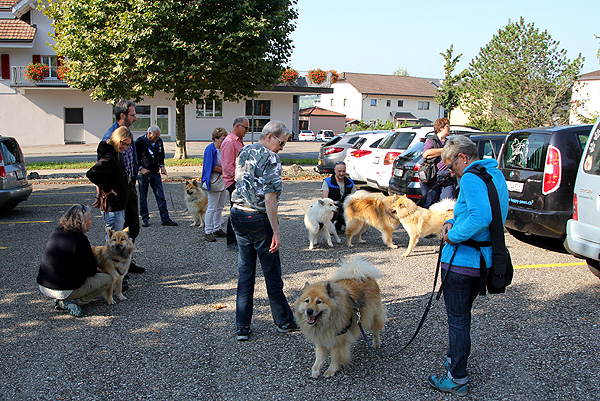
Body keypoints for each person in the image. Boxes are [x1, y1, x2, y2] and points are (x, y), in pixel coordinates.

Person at [427, 135, 508, 397]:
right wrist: (455, 223)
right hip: (484, 260)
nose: (451, 172)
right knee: (462, 318)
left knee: (458, 321)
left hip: (463, 262)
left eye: (451, 166)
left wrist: (452, 234)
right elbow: (489, 214)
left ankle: (457, 378)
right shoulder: (494, 175)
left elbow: (480, 216)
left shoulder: (472, 178)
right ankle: (455, 359)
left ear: (464, 157)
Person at [230, 120, 299, 341]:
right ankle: (284, 321)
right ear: (270, 137)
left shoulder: (244, 151)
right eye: (281, 143)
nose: (282, 148)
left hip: (237, 213)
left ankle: (242, 326)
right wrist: (276, 231)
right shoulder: (271, 158)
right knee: (272, 274)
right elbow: (270, 199)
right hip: (257, 218)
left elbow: (237, 181)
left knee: (246, 273)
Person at [36, 204, 112, 317]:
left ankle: (63, 298)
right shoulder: (80, 240)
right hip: (64, 289)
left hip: (44, 286)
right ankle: (72, 301)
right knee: (107, 280)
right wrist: (97, 268)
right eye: (89, 219)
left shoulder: (56, 232)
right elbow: (91, 270)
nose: (91, 222)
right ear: (81, 222)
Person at [102, 99, 145, 273]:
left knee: (133, 225)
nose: (136, 118)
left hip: (129, 186)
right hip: (118, 191)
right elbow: (100, 169)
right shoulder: (110, 138)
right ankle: (115, 270)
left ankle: (127, 260)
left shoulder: (127, 134)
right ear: (122, 115)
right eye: (133, 115)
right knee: (116, 232)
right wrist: (105, 191)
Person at [87, 126, 132, 234]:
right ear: (116, 140)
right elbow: (92, 173)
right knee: (114, 241)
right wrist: (107, 188)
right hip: (113, 206)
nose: (125, 147)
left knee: (115, 239)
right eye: (123, 143)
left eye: (127, 145)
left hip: (117, 204)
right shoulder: (109, 157)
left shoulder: (115, 154)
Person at [135, 125, 178, 227]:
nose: (157, 138)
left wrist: (162, 166)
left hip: (155, 172)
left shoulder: (159, 141)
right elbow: (135, 158)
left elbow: (161, 154)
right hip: (143, 174)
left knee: (160, 196)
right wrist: (141, 168)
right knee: (143, 197)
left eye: (158, 136)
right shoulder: (140, 142)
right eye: (155, 136)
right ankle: (145, 218)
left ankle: (165, 218)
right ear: (149, 133)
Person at [221, 116, 249, 250]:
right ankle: (231, 242)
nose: (247, 131)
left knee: (238, 210)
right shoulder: (230, 142)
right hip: (233, 182)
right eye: (246, 128)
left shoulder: (238, 141)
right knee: (236, 211)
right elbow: (227, 166)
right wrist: (238, 182)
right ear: (237, 126)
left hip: (239, 182)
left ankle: (237, 240)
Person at [420, 118, 457, 208]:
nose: (449, 128)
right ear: (441, 128)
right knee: (430, 205)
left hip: (447, 177)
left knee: (448, 205)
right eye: (447, 126)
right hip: (432, 177)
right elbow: (426, 154)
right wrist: (444, 150)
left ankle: (447, 222)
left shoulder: (449, 142)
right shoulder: (431, 140)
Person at [201, 127, 228, 242]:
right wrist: (225, 170)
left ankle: (217, 228)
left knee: (220, 206)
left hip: (222, 180)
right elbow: (209, 167)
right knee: (212, 207)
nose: (224, 141)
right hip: (214, 181)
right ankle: (208, 231)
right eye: (223, 138)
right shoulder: (210, 149)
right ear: (216, 138)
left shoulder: (222, 149)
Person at [321, 161, 356, 231]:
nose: (341, 173)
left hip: (345, 209)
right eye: (339, 171)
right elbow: (325, 199)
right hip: (332, 209)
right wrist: (334, 203)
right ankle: (329, 224)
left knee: (354, 229)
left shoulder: (350, 182)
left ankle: (340, 223)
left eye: (343, 171)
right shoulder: (327, 181)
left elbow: (355, 199)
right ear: (334, 170)